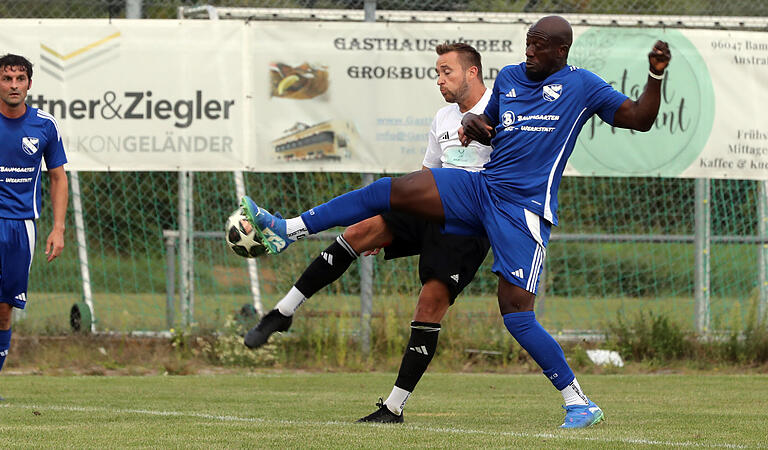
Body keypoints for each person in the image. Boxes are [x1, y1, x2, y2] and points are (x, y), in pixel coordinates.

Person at [239, 16, 671, 428]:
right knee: (395, 189)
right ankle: (288, 228)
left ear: (562, 50)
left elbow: (640, 119)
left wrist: (654, 77)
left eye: (539, 46)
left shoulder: (582, 85)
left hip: (522, 209)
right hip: (482, 187)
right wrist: (472, 124)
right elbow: (491, 123)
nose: (530, 51)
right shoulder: (511, 78)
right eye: (527, 43)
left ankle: (578, 402)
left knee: (517, 314)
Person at [244, 43, 493, 423]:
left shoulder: (499, 109)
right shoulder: (443, 118)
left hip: (468, 223)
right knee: (361, 231)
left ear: (472, 72)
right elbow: (426, 175)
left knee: (429, 306)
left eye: (448, 72)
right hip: (435, 204)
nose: (440, 80)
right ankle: (283, 311)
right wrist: (395, 223)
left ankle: (393, 407)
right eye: (437, 73)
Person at [0, 54, 68, 402]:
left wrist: (58, 228)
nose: (14, 85)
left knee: (5, 308)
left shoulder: (45, 126)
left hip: (23, 228)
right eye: (7, 79)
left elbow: (57, 177)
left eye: (20, 78)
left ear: (29, 84)